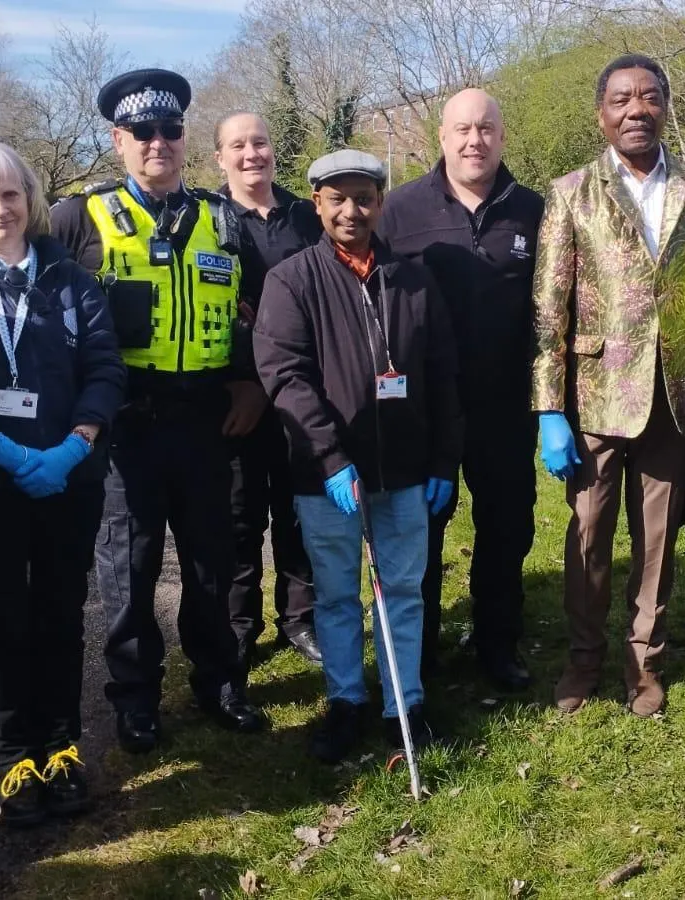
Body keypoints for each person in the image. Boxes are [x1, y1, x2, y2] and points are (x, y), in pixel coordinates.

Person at [50, 68, 268, 754]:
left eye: (170, 130)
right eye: (142, 132)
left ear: (184, 139)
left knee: (212, 558)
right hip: (126, 425)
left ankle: (220, 681)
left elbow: (262, 316)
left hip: (206, 420)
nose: (158, 143)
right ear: (118, 140)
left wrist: (252, 385)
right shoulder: (75, 219)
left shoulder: (224, 218)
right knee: (129, 566)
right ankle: (136, 698)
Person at [0, 138, 126, 827]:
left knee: (62, 613)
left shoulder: (71, 280)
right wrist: (3, 451)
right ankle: (15, 756)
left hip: (69, 479)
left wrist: (74, 448)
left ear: (29, 199)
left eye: (10, 193)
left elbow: (105, 369)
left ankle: (61, 746)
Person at [531, 55, 685, 719]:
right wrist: (548, 409)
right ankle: (583, 659)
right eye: (621, 99)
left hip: (675, 397)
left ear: (666, 107)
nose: (635, 109)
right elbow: (547, 310)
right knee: (589, 535)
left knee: (657, 543)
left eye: (648, 97)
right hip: (596, 397)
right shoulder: (571, 193)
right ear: (601, 114)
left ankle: (645, 665)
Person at [253, 149, 462, 763]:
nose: (352, 210)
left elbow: (445, 375)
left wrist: (443, 462)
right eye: (337, 198)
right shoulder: (290, 281)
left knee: (403, 588)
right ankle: (345, 700)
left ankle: (407, 704)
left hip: (406, 470)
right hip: (328, 477)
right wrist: (328, 457)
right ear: (316, 203)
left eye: (364, 196)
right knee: (338, 594)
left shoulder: (416, 278)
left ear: (381, 200)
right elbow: (284, 376)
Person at [379, 88, 545, 690]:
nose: (474, 141)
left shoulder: (532, 209)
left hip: (506, 406)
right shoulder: (399, 211)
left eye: (486, 129)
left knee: (507, 528)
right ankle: (419, 650)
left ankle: (497, 643)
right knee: (422, 530)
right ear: (441, 138)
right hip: (426, 411)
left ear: (502, 135)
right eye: (462, 130)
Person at [213, 111, 323, 667]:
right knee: (240, 514)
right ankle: (240, 627)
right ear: (220, 158)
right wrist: (245, 381)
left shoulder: (306, 217)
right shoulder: (207, 220)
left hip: (301, 388)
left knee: (298, 507)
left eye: (260, 142)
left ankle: (300, 620)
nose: (252, 153)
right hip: (236, 396)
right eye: (238, 145)